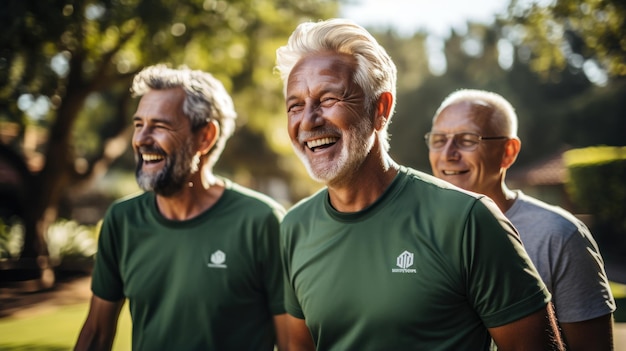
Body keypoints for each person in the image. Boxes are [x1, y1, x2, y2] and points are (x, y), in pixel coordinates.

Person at [275, 18, 564, 350]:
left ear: (380, 109)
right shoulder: (293, 228)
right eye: (295, 105)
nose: (308, 121)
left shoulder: (468, 220)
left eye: (328, 99)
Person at [75, 64, 288, 350]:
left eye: (160, 125)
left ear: (205, 137)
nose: (141, 139)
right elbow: (97, 335)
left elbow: (294, 344)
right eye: (139, 125)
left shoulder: (262, 221)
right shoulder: (121, 220)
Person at [427, 88, 616, 350]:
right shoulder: (414, 227)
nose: (448, 153)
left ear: (508, 151)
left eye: (467, 139)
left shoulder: (559, 235)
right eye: (439, 140)